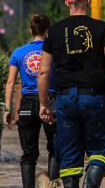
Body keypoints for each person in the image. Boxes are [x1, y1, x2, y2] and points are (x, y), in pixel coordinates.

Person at [37, 0, 105, 188]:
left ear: (67, 3)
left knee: (70, 155)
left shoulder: (53, 32)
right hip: (95, 99)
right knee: (101, 150)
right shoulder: (102, 28)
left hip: (65, 100)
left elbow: (43, 72)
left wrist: (43, 103)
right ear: (87, 1)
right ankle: (91, 183)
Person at [4, 14, 58, 187]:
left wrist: (8, 108)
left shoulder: (18, 53)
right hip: (50, 102)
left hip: (27, 105)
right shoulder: (54, 50)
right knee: (56, 148)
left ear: (30, 30)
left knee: (28, 153)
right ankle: (53, 184)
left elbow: (10, 82)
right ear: (48, 30)